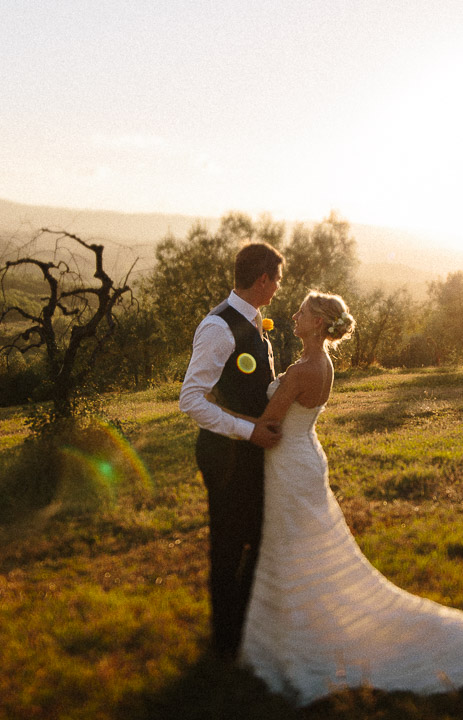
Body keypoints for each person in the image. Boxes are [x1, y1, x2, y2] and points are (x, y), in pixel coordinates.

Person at [234, 290, 463, 705]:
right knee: (302, 551)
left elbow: (269, 425)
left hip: (290, 463)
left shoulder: (302, 370)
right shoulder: (321, 364)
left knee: (291, 550)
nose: (294, 314)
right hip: (305, 458)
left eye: (303, 311)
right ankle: (302, 628)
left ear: (321, 322)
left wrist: (217, 414)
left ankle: (298, 641)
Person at [178, 241, 285, 659]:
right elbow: (191, 399)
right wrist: (247, 430)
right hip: (225, 456)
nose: (278, 289)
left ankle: (248, 630)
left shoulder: (256, 322)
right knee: (229, 544)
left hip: (251, 452)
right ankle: (225, 645)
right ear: (263, 280)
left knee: (259, 537)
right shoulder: (218, 327)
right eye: (276, 281)